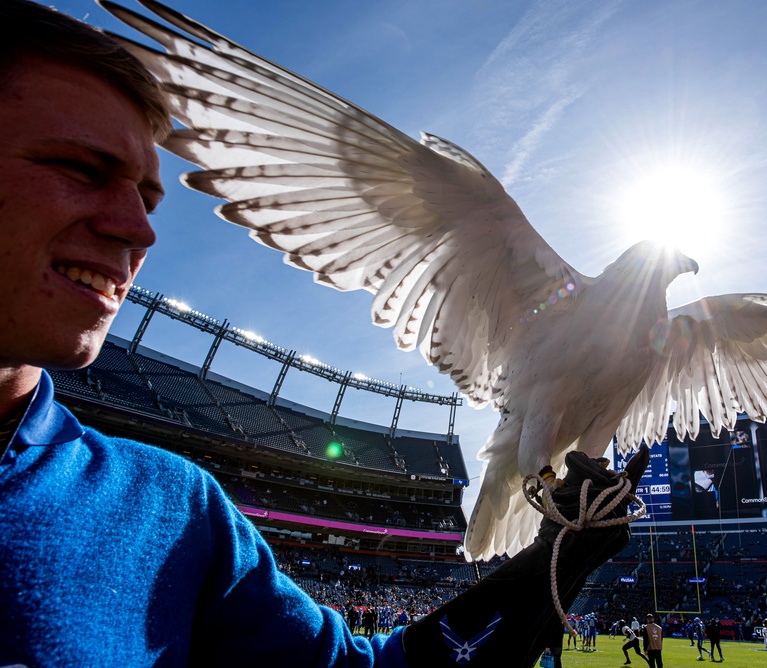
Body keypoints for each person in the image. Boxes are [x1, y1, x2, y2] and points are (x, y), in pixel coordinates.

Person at [0, 3, 652, 665]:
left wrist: (552, 566)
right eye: (81, 169)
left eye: (148, 197)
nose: (138, 231)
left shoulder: (173, 516)